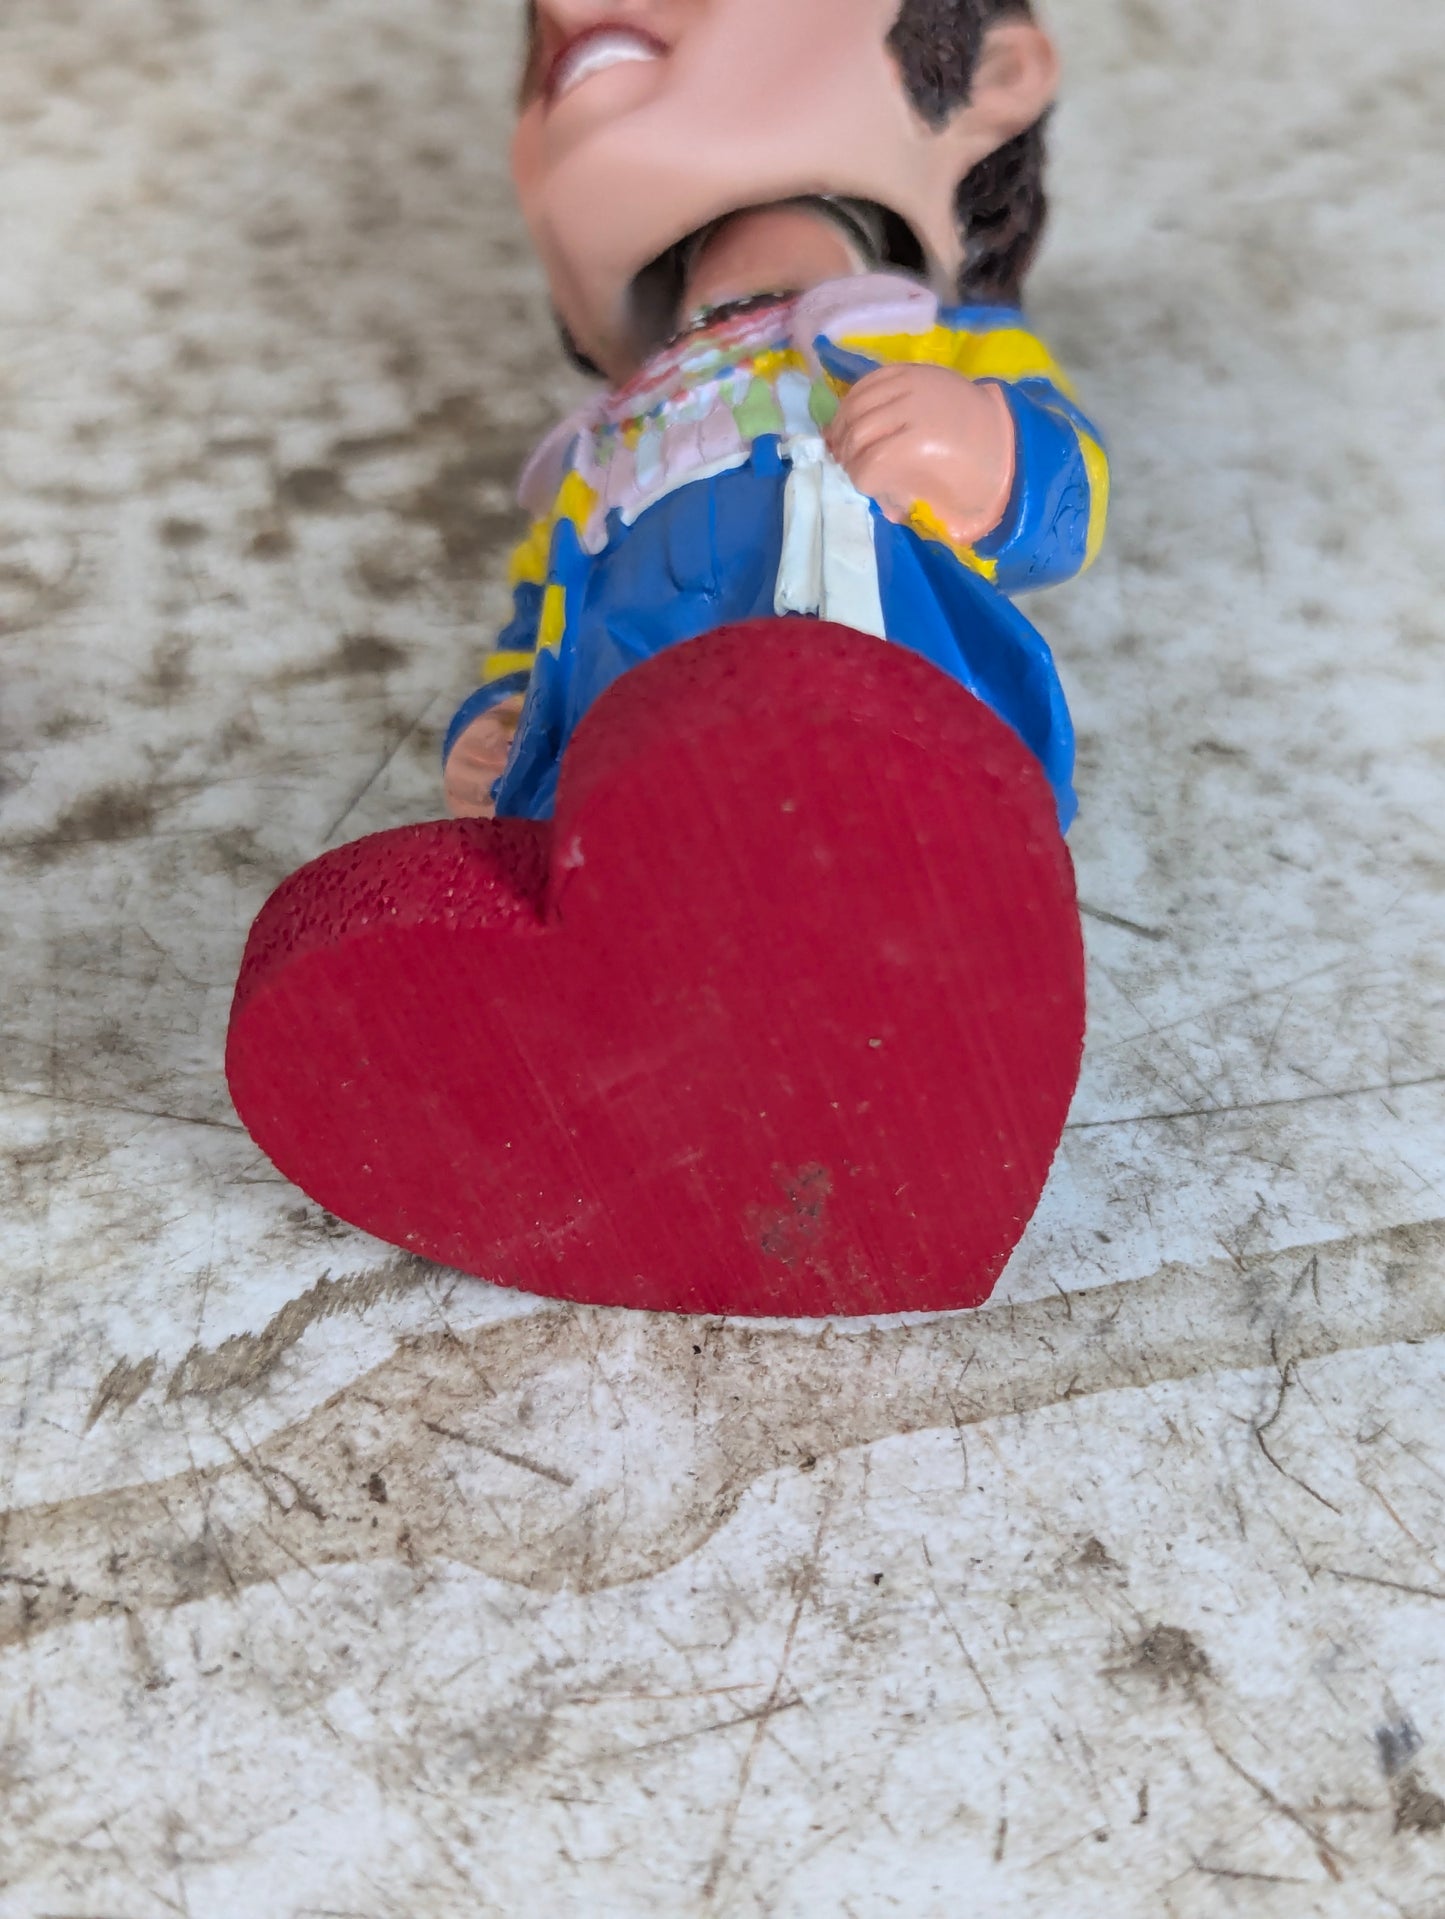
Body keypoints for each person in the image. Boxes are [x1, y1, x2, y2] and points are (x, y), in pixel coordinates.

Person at [443, 0, 1108, 830]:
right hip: (620, 730)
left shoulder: (936, 340)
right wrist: (504, 715)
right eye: (550, 58)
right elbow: (538, 604)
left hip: (854, 692)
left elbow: (1069, 486)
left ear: (988, 75)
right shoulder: (605, 432)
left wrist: (984, 452)